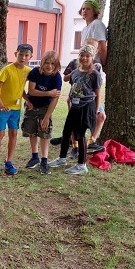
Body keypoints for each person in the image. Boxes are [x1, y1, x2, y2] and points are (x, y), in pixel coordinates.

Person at [49, 44, 102, 175]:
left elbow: (97, 94)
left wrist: (96, 110)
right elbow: (71, 83)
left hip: (86, 107)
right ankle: (62, 158)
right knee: (67, 131)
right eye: (82, 55)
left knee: (80, 134)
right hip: (75, 106)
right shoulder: (76, 71)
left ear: (92, 57)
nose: (84, 58)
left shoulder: (94, 74)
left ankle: (81, 164)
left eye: (88, 56)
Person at [0, 43, 33, 176]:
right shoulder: (7, 70)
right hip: (2, 108)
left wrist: (27, 100)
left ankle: (8, 161)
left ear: (30, 57)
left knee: (13, 133)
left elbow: (20, 89)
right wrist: (0, 104)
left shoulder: (28, 71)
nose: (23, 57)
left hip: (16, 109)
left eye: (26, 55)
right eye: (20, 54)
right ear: (15, 54)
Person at [62, 37, 105, 156]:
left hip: (90, 98)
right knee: (74, 123)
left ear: (95, 51)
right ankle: (75, 146)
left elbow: (97, 86)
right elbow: (66, 78)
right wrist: (76, 72)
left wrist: (96, 108)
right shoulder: (74, 63)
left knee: (100, 116)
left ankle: (91, 141)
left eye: (92, 48)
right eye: (86, 47)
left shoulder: (97, 67)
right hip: (76, 97)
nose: (85, 57)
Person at [22, 50, 62, 175]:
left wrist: (47, 117)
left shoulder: (57, 77)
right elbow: (32, 91)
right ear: (42, 63)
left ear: (57, 65)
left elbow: (55, 99)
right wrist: (48, 93)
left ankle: (44, 160)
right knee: (31, 131)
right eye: (47, 63)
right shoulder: (35, 72)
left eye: (53, 63)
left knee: (44, 133)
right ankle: (35, 157)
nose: (49, 66)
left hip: (46, 107)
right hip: (32, 105)